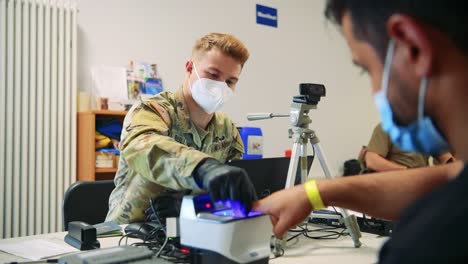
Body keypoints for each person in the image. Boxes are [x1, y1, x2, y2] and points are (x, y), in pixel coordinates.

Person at [254, 1, 468, 262]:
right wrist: (313, 193)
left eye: (366, 68)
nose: (373, 89)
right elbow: (447, 177)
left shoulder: (425, 246)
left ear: (414, 47)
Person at [106, 33, 257, 224]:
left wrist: (192, 204)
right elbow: (142, 146)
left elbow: (230, 189)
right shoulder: (152, 110)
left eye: (230, 81)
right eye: (213, 74)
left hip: (194, 230)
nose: (220, 86)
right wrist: (203, 169)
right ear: (189, 68)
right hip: (128, 233)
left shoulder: (227, 129)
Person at [360, 123, 455, 172]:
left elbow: (445, 157)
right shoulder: (386, 128)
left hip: (421, 183)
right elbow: (372, 161)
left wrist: (452, 164)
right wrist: (406, 171)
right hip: (396, 183)